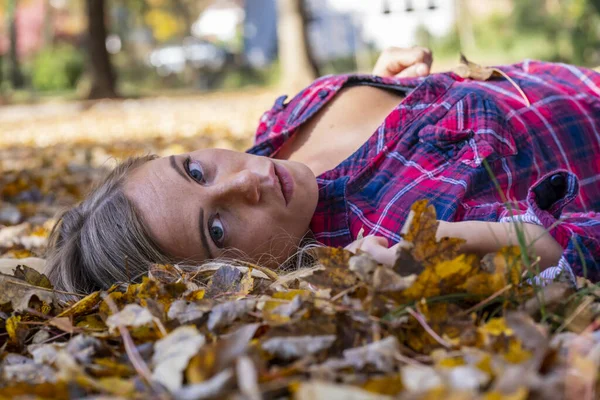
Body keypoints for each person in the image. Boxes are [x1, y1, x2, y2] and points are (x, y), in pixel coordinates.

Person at [45, 47, 600, 295]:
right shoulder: (390, 234)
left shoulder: (287, 120)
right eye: (217, 230)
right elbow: (583, 244)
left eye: (195, 171)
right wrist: (452, 241)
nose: (247, 183)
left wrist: (389, 89)